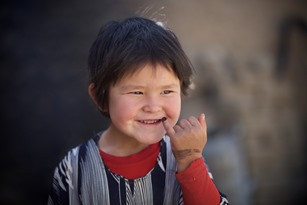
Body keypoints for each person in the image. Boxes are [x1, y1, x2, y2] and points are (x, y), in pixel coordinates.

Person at [48, 16, 229, 205]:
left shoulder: (182, 158)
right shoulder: (74, 169)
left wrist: (190, 161)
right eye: (137, 92)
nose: (152, 106)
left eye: (166, 91)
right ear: (99, 97)